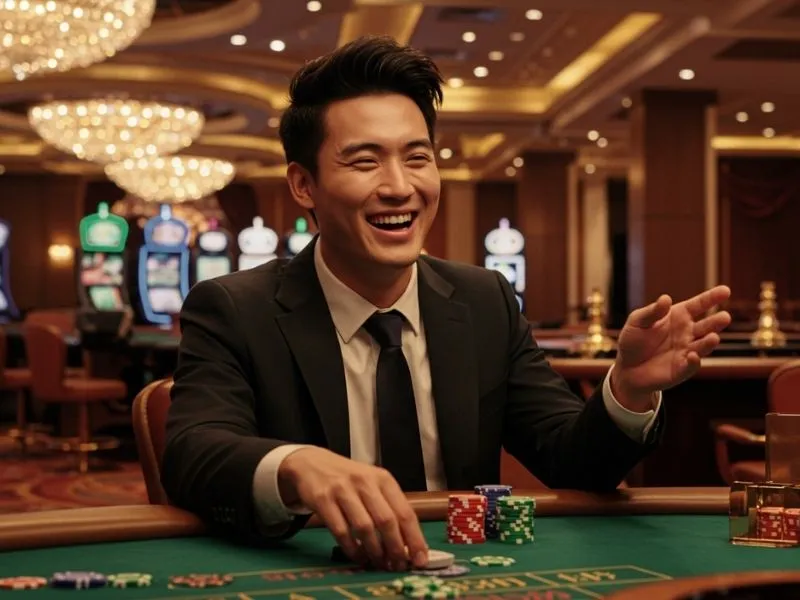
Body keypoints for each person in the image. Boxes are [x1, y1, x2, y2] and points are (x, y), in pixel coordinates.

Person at [163, 35, 731, 571]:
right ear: (303, 185)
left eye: (417, 157)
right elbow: (194, 451)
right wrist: (294, 466)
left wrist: (629, 389)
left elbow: (573, 460)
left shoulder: (483, 300)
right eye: (364, 161)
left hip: (467, 575)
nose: (399, 186)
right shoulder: (235, 307)